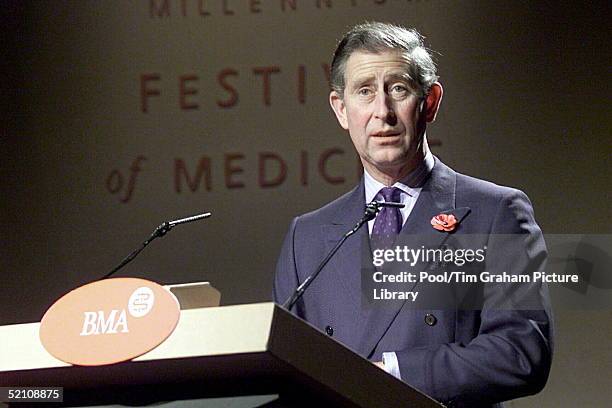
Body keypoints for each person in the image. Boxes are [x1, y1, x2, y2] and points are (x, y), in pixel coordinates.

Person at [273, 22, 553, 407]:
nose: (382, 112)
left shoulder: (494, 213)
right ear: (341, 109)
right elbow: (287, 372)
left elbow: (521, 353)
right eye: (365, 91)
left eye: (398, 89)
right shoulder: (306, 237)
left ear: (431, 101)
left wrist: (393, 374)